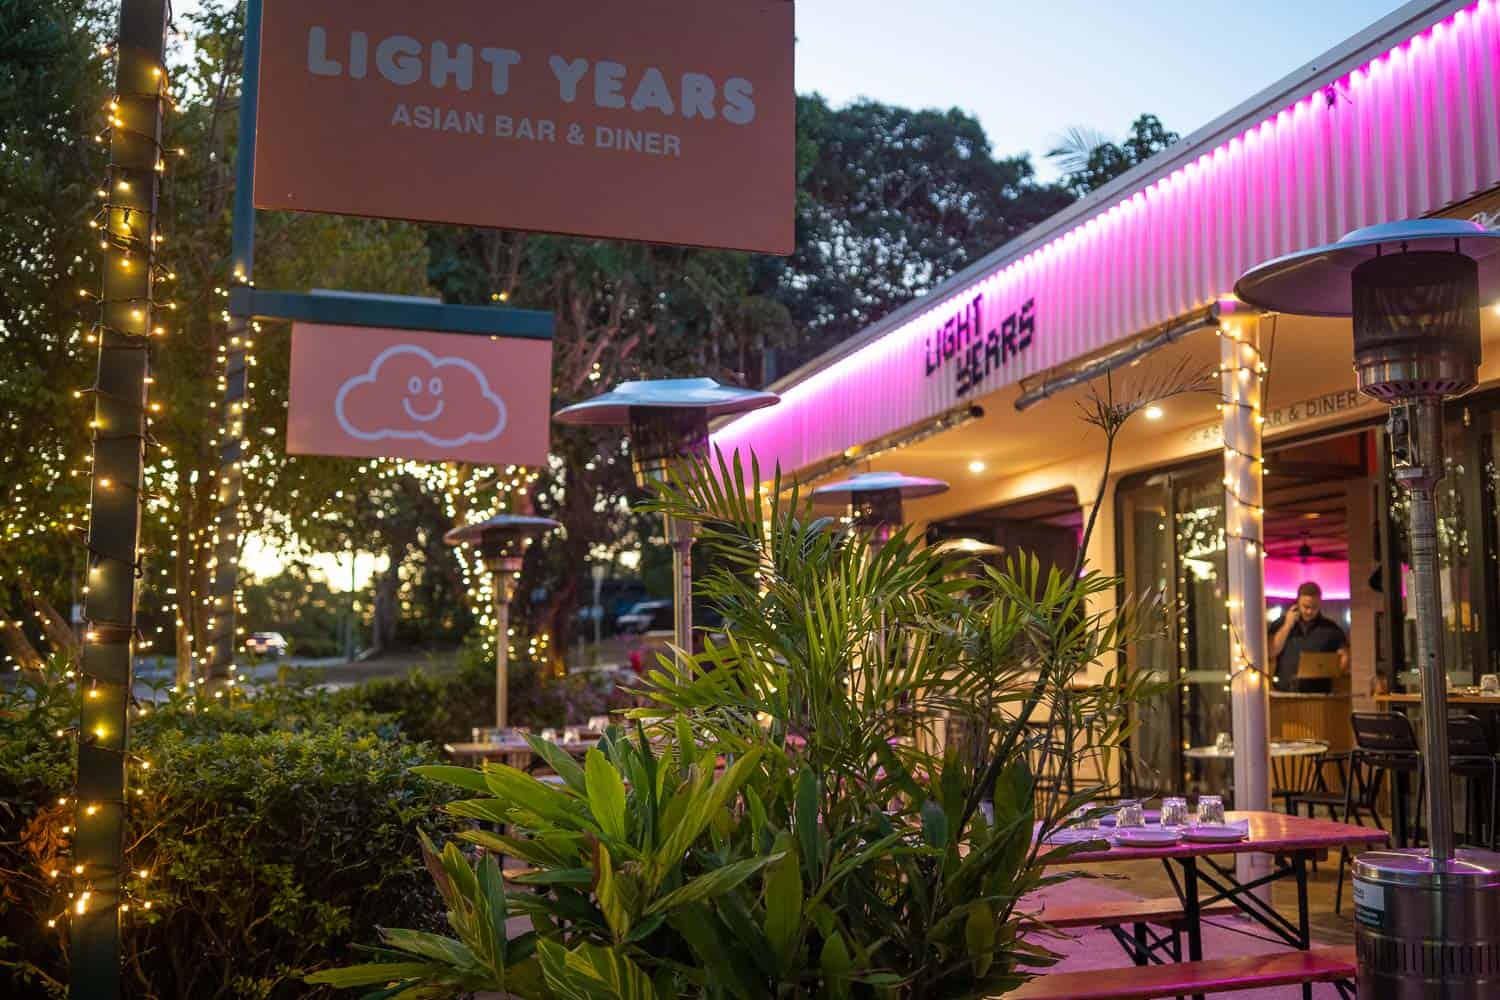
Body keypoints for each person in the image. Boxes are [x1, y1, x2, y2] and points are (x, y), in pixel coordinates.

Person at [1269, 581, 1349, 692]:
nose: (1309, 611)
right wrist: (1287, 626)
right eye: (1306, 607)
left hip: (1319, 694)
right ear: (1297, 602)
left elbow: (1344, 656)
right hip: (1284, 692)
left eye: (1314, 607)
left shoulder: (1331, 629)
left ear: (1320, 603)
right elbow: (1272, 651)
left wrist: (1337, 672)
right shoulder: (1281, 623)